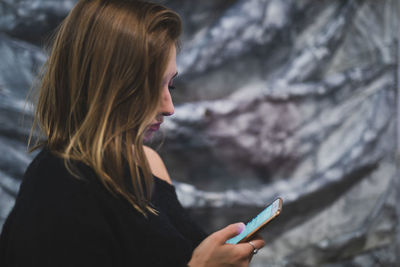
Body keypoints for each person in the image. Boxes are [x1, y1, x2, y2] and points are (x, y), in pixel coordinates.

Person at [0, 0, 265, 266]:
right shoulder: (58, 184)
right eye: (149, 87)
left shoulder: (149, 162)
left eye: (170, 86)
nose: (169, 107)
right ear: (102, 85)